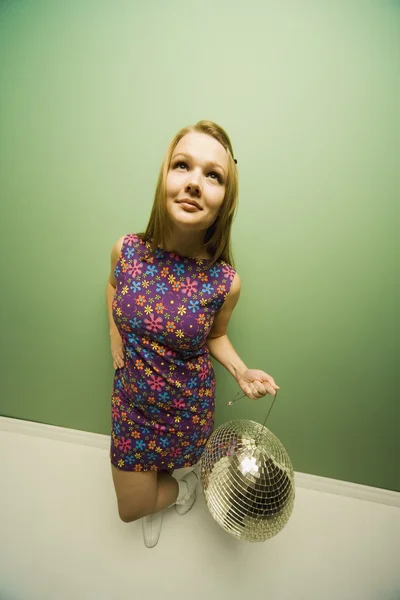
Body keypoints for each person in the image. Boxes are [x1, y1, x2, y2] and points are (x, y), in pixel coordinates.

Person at [105, 120, 279, 548]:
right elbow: (112, 286)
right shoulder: (125, 249)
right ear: (165, 177)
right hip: (132, 405)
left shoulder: (225, 282)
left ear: (224, 200)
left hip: (186, 408)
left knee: (175, 471)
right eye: (182, 166)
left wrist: (240, 372)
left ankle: (179, 485)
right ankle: (168, 493)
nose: (194, 183)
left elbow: (215, 336)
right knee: (131, 508)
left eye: (212, 175)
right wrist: (114, 333)